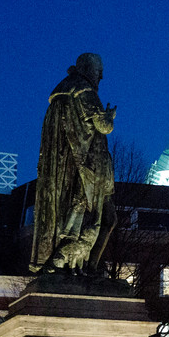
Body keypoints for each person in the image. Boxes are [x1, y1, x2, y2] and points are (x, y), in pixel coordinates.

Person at [30, 52, 117, 274]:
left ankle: (85, 268)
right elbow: (102, 126)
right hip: (87, 173)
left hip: (68, 172)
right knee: (95, 221)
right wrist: (108, 117)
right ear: (90, 70)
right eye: (99, 71)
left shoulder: (61, 94)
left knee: (100, 220)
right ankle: (71, 265)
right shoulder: (83, 90)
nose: (102, 77)